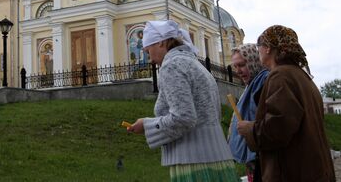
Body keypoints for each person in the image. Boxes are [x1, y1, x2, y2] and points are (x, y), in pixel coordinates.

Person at [127, 20, 238, 182]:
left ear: (160, 42)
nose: (149, 58)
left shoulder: (172, 65)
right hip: (217, 158)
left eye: (148, 50)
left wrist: (147, 125)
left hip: (193, 163)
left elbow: (183, 118)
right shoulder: (196, 65)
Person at [237, 25, 335, 182]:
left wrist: (249, 129)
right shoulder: (303, 77)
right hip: (313, 167)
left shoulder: (281, 76)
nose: (258, 51)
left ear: (268, 48)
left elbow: (277, 129)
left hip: (294, 170)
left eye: (259, 46)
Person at [228, 44, 269, 182]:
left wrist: (249, 128)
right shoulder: (251, 85)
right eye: (235, 66)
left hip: (263, 155)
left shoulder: (264, 81)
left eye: (242, 65)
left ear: (253, 61)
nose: (238, 71)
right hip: (254, 155)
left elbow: (269, 119)